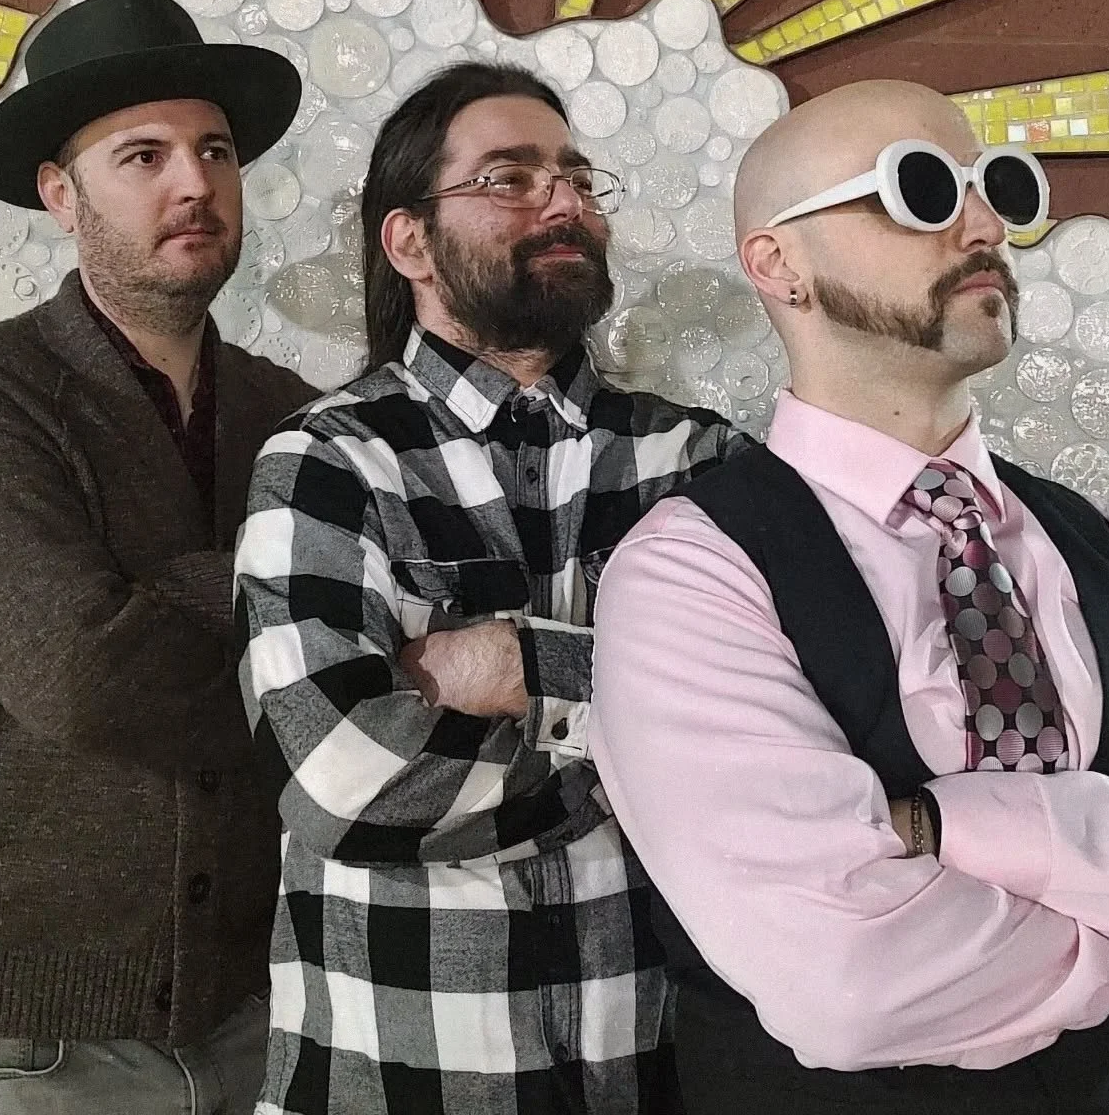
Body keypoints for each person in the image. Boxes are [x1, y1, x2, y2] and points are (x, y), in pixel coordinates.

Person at [590, 79, 1109, 1115]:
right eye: (920, 190)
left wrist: (940, 825)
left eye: (997, 187)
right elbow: (847, 988)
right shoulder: (691, 572)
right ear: (778, 264)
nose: (985, 227)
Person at [234, 61, 749, 1115]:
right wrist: (644, 740)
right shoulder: (330, 461)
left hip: (656, 1069)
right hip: (396, 1080)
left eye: (577, 178)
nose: (564, 203)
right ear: (410, 241)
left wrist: (518, 665)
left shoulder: (699, 460)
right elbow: (338, 777)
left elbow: (783, 744)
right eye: (510, 179)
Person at [0, 0, 315, 1114]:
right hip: (4, 1039)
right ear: (61, 195)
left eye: (215, 150)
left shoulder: (294, 414)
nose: (194, 182)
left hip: (247, 1010)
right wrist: (287, 604)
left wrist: (149, 601)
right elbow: (78, 673)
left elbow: (355, 657)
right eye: (143, 156)